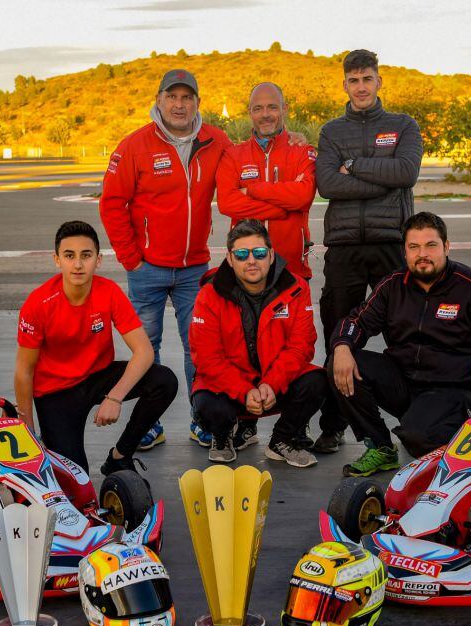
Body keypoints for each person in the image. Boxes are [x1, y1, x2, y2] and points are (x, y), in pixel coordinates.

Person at [330, 212, 471, 477]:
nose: (423, 254)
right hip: (405, 383)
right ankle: (380, 447)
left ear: (446, 246)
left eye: (431, 245)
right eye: (414, 247)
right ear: (405, 251)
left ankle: (453, 432)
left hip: (454, 391)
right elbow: (357, 322)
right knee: (338, 364)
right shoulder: (392, 286)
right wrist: (342, 346)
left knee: (417, 436)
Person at [100, 68, 233, 451]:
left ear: (197, 103)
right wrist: (131, 258)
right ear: (158, 100)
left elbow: (248, 155)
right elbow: (112, 203)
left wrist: (287, 136)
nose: (179, 104)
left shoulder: (216, 140)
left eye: (186, 97)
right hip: (148, 269)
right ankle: (149, 424)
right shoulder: (134, 145)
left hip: (195, 268)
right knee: (148, 347)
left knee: (200, 346)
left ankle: (202, 419)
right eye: (172, 97)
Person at [312, 49, 424, 455]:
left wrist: (354, 163)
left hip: (391, 244)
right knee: (338, 336)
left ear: (379, 82)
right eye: (353, 80)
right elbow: (327, 184)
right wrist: (382, 177)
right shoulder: (330, 131)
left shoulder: (402, 125)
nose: (361, 86)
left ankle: (415, 420)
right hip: (343, 248)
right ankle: (335, 423)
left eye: (367, 79)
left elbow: (406, 172)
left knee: (405, 334)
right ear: (345, 85)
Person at [14, 220, 178, 478]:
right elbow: (24, 371)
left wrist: (114, 397)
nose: (78, 264)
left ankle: (120, 456)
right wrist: (28, 431)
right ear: (57, 260)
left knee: (164, 380)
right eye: (69, 256)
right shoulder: (38, 303)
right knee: (76, 479)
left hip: (97, 377)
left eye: (86, 255)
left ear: (98, 260)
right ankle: (55, 437)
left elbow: (144, 351)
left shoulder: (108, 291)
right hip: (56, 391)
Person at [189, 219, 326, 467]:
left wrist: (271, 384)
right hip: (233, 386)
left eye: (259, 253)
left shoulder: (297, 287)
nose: (251, 260)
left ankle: (281, 440)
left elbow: (301, 345)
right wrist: (245, 390)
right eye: (241, 254)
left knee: (318, 381)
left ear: (271, 255)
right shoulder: (209, 294)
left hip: (274, 383)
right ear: (230, 259)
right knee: (207, 403)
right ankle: (222, 437)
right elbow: (207, 358)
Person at [216, 82, 316, 280]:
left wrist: (252, 190)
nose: (265, 114)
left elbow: (303, 197)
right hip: (245, 270)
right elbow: (227, 202)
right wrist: (280, 210)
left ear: (284, 108)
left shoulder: (302, 151)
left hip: (291, 270)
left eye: (272, 107)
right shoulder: (233, 155)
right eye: (258, 108)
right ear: (250, 112)